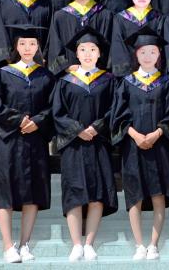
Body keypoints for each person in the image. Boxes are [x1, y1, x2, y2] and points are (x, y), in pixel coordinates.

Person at [0, 23, 55, 264]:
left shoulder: (45, 76)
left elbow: (54, 107)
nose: (27, 48)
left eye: (32, 44)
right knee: (4, 191)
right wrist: (18, 120)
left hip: (35, 141)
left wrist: (38, 121)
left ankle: (25, 244)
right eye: (23, 43)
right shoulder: (3, 74)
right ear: (16, 46)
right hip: (9, 141)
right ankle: (8, 246)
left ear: (38, 47)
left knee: (32, 192)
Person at [110, 27, 169, 261]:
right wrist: (136, 135)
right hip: (133, 147)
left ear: (159, 54)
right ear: (136, 55)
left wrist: (157, 133)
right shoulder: (127, 82)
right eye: (143, 52)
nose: (148, 56)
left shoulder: (168, 82)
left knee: (158, 194)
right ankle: (139, 245)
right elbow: (118, 116)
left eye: (152, 51)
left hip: (159, 146)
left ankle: (153, 244)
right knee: (135, 195)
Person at [51, 26, 119, 262]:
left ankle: (89, 243)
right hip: (74, 145)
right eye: (82, 50)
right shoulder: (65, 82)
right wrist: (78, 130)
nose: (87, 53)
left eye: (92, 49)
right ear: (76, 54)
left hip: (99, 143)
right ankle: (76, 244)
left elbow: (114, 110)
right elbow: (58, 113)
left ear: (99, 53)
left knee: (97, 194)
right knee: (74, 194)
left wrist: (97, 127)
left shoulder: (109, 80)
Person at [46, 0, 112, 75]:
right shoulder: (60, 17)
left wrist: (97, 67)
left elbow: (110, 49)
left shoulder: (104, 15)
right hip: (70, 77)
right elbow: (54, 49)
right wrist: (67, 67)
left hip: (98, 76)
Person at [109, 0, 164, 78]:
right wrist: (128, 78)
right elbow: (118, 49)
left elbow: (162, 51)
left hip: (153, 76)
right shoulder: (120, 18)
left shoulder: (159, 18)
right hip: (128, 78)